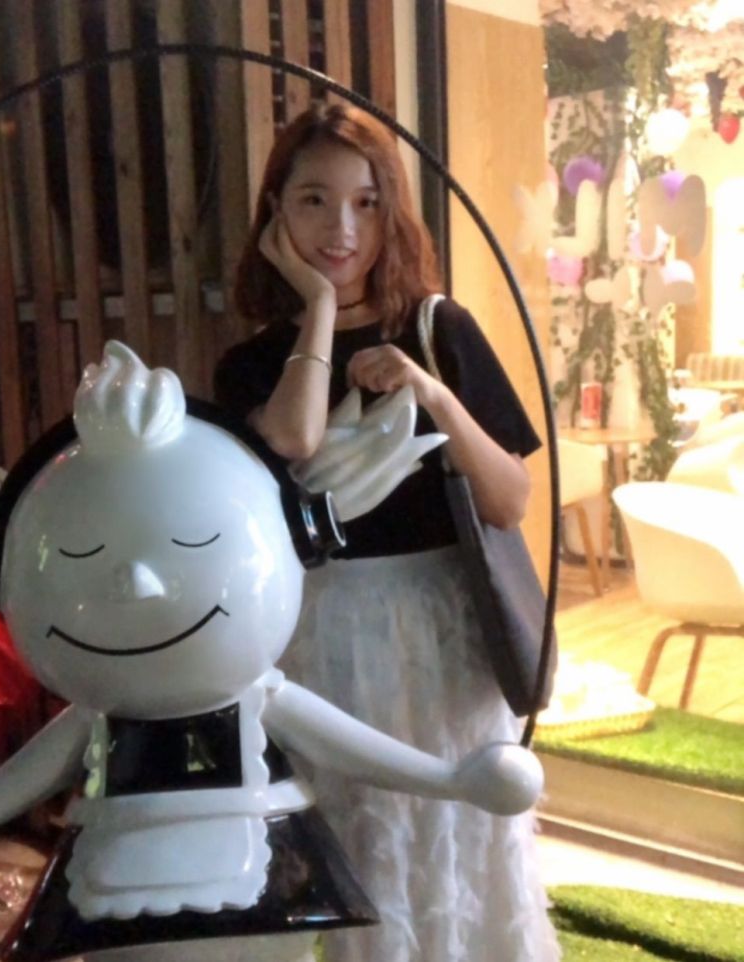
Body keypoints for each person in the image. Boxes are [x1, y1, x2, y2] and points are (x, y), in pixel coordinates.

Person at [213, 103, 560, 962]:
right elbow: (293, 438)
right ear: (276, 211)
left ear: (391, 211)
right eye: (314, 200)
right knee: (355, 845)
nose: (343, 228)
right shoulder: (251, 364)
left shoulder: (439, 329)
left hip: (441, 630)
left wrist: (431, 392)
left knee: (457, 835)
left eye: (366, 204)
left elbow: (510, 500)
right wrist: (319, 307)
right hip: (318, 634)